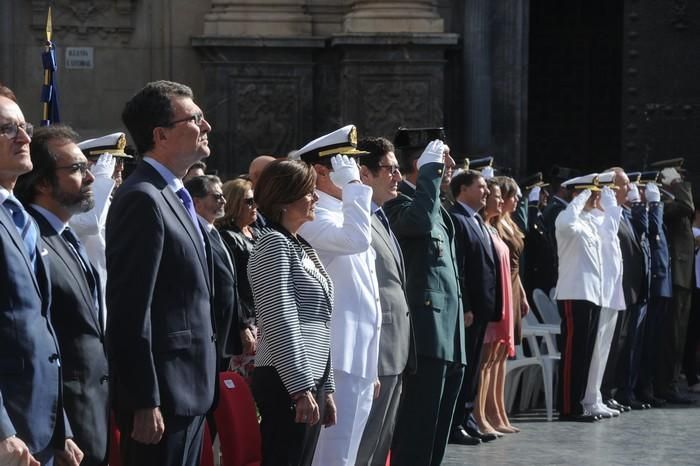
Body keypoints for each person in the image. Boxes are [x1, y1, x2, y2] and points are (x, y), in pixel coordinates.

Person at [106, 80, 217, 466]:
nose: (206, 127)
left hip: (189, 389)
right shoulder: (142, 198)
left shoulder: (172, 194)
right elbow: (130, 308)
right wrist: (143, 398)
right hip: (163, 396)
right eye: (195, 119)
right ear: (161, 135)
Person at [16, 124, 110, 465]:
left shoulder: (67, 238)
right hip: (56, 426)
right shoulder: (29, 239)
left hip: (90, 415)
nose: (89, 178)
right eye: (76, 168)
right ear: (42, 182)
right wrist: (61, 429)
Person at [0, 84, 82, 466]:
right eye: (6, 129)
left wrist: (60, 428)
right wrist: (2, 430)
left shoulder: (21, 219)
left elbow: (41, 328)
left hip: (39, 428)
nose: (23, 137)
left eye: (24, 126)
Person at [294, 126, 379, 466]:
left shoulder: (348, 213)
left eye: (356, 167)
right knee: (330, 457)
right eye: (346, 165)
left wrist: (371, 364)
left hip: (357, 356)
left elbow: (367, 295)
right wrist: (356, 188)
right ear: (320, 171)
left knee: (347, 455)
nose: (356, 173)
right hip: (334, 358)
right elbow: (355, 241)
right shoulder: (311, 217)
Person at [385, 128, 466, 466]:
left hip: (448, 335)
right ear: (421, 163)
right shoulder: (396, 205)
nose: (449, 166)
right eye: (441, 160)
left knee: (435, 438)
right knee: (416, 436)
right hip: (425, 337)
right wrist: (430, 175)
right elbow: (417, 224)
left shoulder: (435, 207)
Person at [248, 159, 336, 466]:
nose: (315, 198)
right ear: (285, 199)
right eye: (308, 192)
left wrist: (327, 386)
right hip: (285, 379)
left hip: (310, 378)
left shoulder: (300, 245)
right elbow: (280, 319)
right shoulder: (274, 244)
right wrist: (300, 388)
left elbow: (319, 322)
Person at [355, 137, 415, 466]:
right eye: (390, 170)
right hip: (375, 349)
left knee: (382, 442)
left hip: (394, 347)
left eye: (397, 169)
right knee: (366, 444)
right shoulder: (359, 218)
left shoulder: (380, 215)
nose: (398, 177)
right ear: (364, 174)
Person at [448, 170, 501, 444]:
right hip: (469, 311)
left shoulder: (476, 220)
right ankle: (455, 423)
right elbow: (461, 268)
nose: (485, 192)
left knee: (474, 369)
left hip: (483, 308)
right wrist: (466, 305)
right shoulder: (457, 219)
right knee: (465, 366)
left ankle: (467, 416)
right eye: (480, 187)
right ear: (463, 189)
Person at [554, 174, 605, 422]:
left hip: (592, 293)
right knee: (572, 353)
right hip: (574, 293)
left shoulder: (588, 220)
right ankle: (567, 406)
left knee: (584, 352)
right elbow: (566, 227)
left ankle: (579, 402)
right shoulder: (567, 217)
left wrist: (592, 197)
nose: (596, 198)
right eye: (591, 193)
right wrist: (581, 196)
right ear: (578, 194)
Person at [72, 132, 131, 327]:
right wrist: (101, 179)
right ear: (90, 166)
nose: (119, 168)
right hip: (89, 301)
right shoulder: (74, 202)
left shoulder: (110, 199)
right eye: (112, 161)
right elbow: (90, 223)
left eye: (121, 161)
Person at [472, 179, 515, 435]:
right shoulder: (480, 227)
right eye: (492, 194)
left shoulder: (493, 228)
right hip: (491, 300)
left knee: (495, 358)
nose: (496, 199)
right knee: (484, 361)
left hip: (502, 299)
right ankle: (481, 414)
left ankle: (495, 412)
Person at [186, 174, 240, 371]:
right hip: (208, 329)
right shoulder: (195, 233)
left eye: (223, 196)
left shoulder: (213, 230)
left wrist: (240, 323)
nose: (223, 201)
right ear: (196, 202)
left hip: (225, 329)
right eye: (216, 197)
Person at [654, 161, 696, 404]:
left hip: (683, 277)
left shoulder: (672, 202)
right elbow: (687, 206)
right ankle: (664, 384)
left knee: (678, 336)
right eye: (677, 175)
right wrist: (678, 185)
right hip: (675, 277)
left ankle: (669, 382)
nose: (681, 178)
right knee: (671, 337)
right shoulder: (664, 202)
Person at [217, 178, 259, 381]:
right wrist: (242, 327)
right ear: (234, 204)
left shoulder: (256, 233)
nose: (254, 206)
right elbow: (229, 285)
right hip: (246, 319)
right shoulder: (227, 237)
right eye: (249, 201)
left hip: (264, 316)